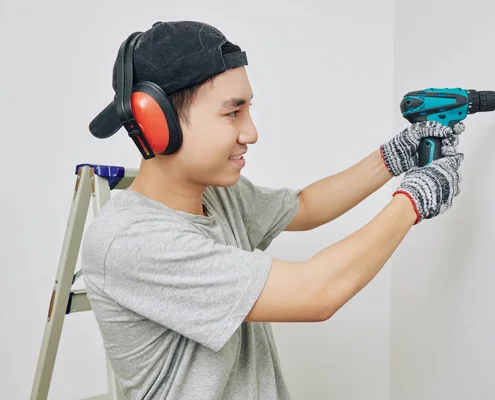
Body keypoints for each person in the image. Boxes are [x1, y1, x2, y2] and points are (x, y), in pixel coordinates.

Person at [82, 20, 465, 400]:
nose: (251, 132)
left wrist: (393, 157)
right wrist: (414, 200)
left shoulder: (215, 194)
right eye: (233, 113)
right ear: (156, 123)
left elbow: (304, 206)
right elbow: (317, 292)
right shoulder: (132, 239)